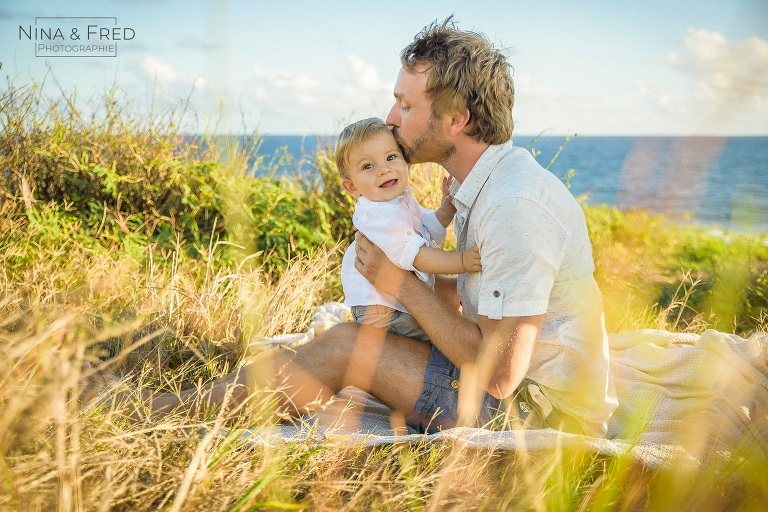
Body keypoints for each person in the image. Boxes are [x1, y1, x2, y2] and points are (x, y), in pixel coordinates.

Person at [88, 17, 617, 438]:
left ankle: (137, 411)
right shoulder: (477, 187)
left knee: (343, 347)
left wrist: (400, 282)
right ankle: (159, 403)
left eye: (406, 104)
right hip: (506, 383)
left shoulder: (514, 206)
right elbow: (463, 309)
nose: (390, 116)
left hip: (534, 415)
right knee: (337, 344)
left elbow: (500, 376)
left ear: (457, 119)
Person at [335, 117, 481, 343]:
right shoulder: (377, 216)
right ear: (351, 186)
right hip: (382, 313)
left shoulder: (401, 201)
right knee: (444, 339)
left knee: (445, 328)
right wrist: (461, 262)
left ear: (407, 164)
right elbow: (418, 256)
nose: (384, 169)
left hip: (397, 306)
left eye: (391, 157)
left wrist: (446, 209)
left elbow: (427, 226)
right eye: (368, 166)